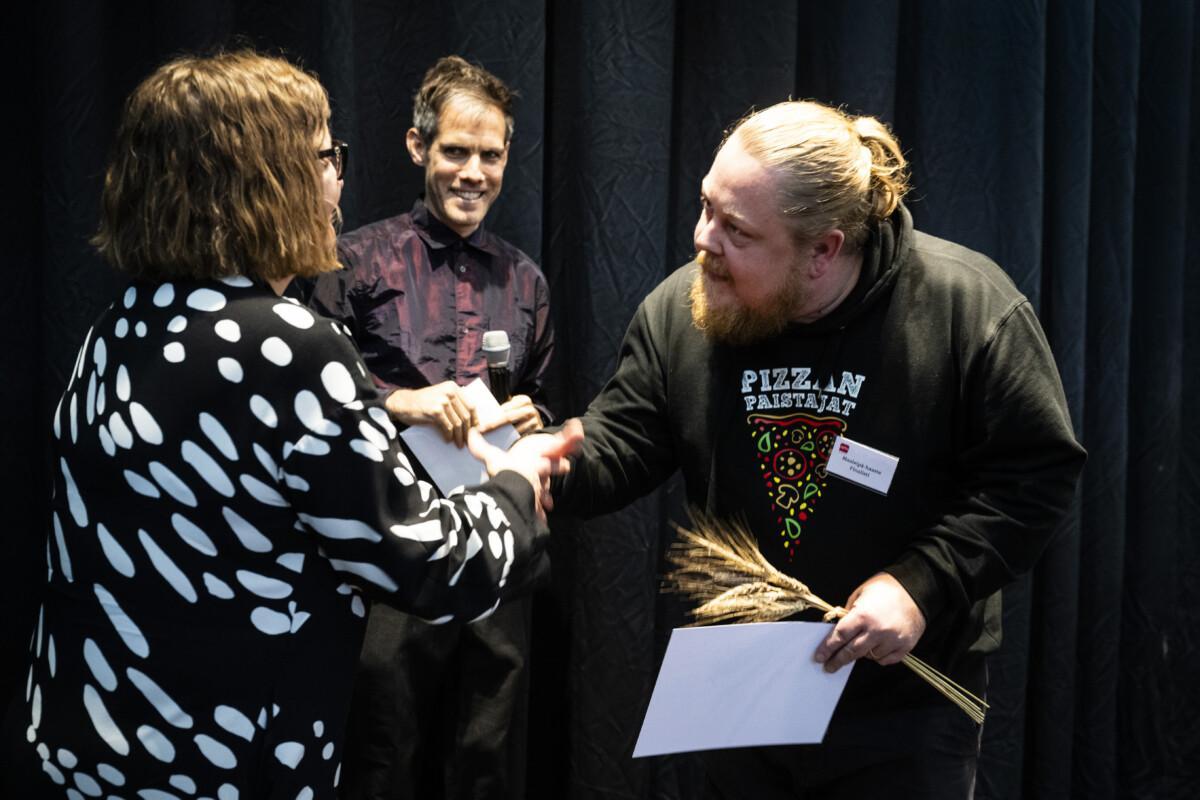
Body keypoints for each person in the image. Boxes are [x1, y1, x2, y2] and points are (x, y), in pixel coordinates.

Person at [0, 50, 580, 800]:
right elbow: (435, 566)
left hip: (88, 753)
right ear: (262, 181)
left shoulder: (116, 327)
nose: (339, 178)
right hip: (215, 769)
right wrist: (515, 481)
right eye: (324, 155)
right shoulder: (289, 346)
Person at [549, 100, 1086, 798]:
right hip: (743, 684)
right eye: (705, 206)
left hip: (900, 707)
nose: (701, 240)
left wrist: (921, 583)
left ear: (823, 251)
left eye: (736, 229)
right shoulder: (688, 305)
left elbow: (1035, 477)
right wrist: (544, 462)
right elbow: (622, 443)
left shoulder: (968, 309)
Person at [303, 56, 551, 800]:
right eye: (455, 151)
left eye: (491, 155)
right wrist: (399, 402)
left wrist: (534, 416)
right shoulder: (351, 260)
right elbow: (311, 408)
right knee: (384, 749)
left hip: (496, 551)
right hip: (390, 548)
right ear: (418, 148)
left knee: (486, 753)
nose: (473, 172)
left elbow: (535, 398)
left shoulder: (528, 281)